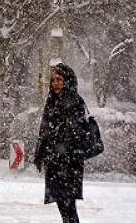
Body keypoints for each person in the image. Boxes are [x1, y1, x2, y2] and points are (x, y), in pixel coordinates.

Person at [33, 63, 87, 223]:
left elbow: (77, 130)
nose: (55, 83)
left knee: (68, 203)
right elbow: (44, 130)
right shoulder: (51, 100)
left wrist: (63, 144)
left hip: (69, 161)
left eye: (59, 79)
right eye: (53, 80)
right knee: (62, 203)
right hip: (54, 161)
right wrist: (39, 154)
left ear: (67, 81)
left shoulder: (75, 101)